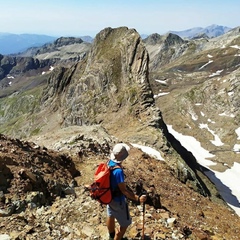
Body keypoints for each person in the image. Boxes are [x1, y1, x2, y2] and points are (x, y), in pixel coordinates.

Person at [107, 143, 147, 240]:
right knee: (125, 224)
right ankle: (117, 238)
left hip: (109, 197)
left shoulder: (109, 163)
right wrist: (137, 198)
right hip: (118, 200)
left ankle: (111, 235)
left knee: (110, 215)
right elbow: (124, 191)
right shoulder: (118, 171)